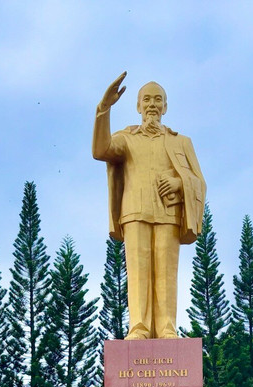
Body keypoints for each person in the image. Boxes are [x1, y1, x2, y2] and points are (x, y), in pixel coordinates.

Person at [93, 72, 207, 340]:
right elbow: (100, 150)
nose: (152, 104)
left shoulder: (181, 142)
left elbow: (199, 182)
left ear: (165, 107)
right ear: (137, 106)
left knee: (167, 274)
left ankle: (167, 327)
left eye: (158, 100)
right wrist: (104, 109)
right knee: (138, 273)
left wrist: (180, 184)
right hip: (134, 213)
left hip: (168, 214)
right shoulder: (126, 138)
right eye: (147, 99)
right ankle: (140, 327)